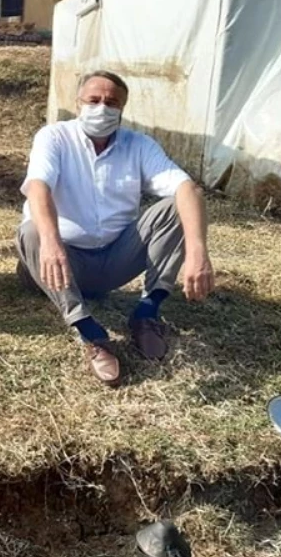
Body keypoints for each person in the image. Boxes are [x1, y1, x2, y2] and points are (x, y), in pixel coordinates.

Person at [16, 71, 215, 387]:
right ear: (78, 103)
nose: (102, 109)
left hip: (113, 259)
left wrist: (197, 251)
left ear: (122, 109)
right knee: (31, 231)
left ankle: (146, 313)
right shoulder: (54, 137)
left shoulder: (138, 145)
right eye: (93, 100)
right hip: (59, 263)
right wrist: (52, 244)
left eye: (111, 102)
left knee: (179, 204)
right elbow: (38, 187)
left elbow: (187, 188)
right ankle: (90, 332)